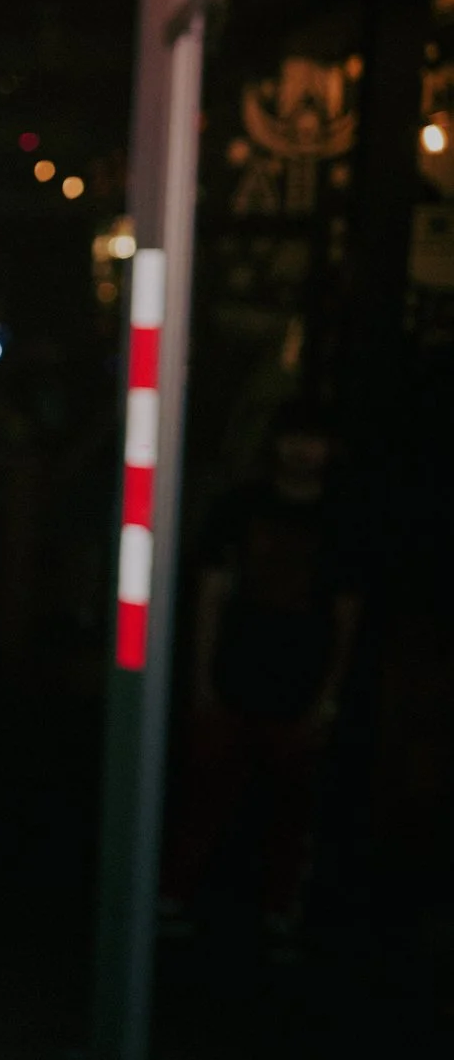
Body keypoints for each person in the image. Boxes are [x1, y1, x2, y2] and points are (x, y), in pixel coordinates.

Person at [160, 406, 362, 951]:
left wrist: (327, 695)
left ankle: (274, 910)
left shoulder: (340, 521)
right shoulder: (239, 508)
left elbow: (346, 615)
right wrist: (201, 679)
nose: (302, 451)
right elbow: (211, 596)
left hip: (296, 683)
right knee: (207, 796)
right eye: (294, 438)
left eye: (313, 440)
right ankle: (178, 898)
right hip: (235, 674)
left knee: (289, 809)